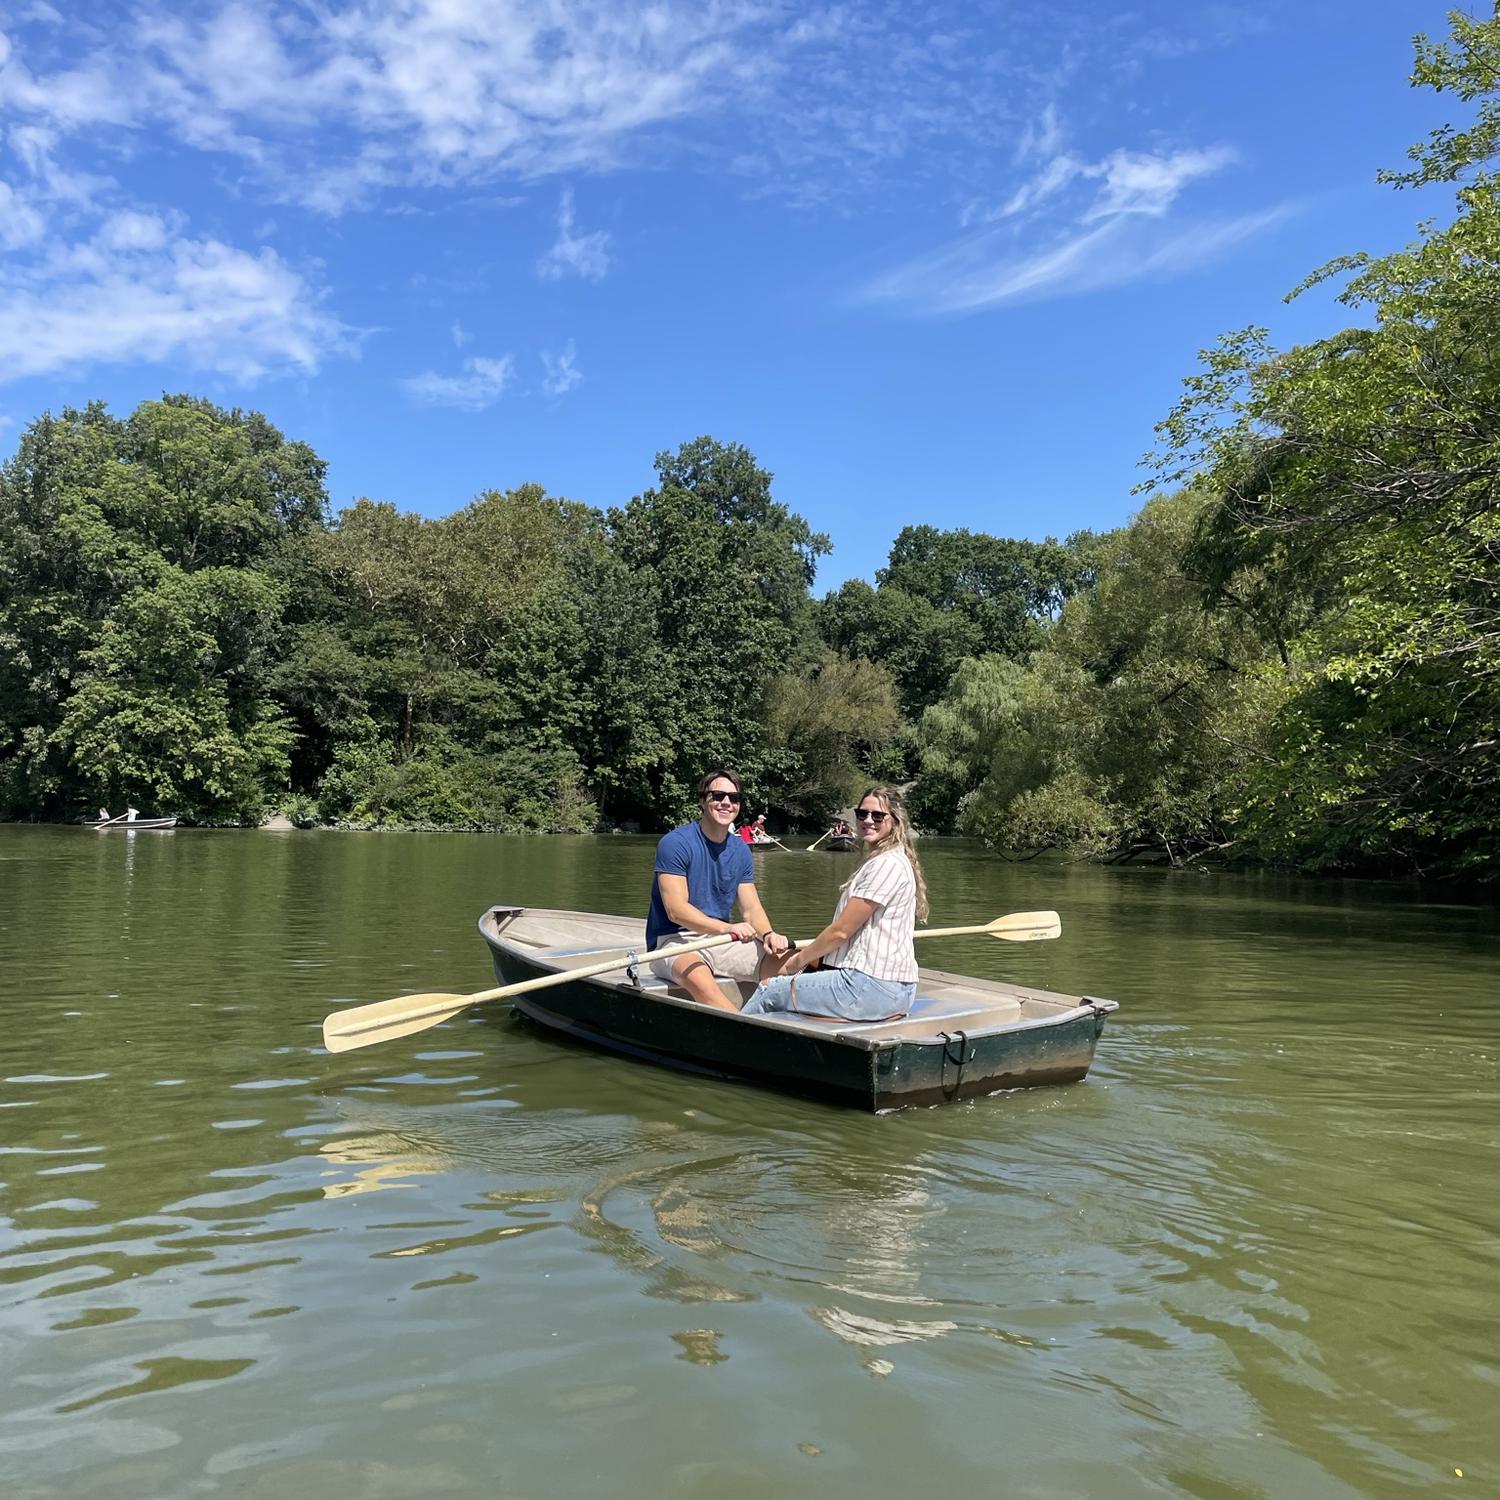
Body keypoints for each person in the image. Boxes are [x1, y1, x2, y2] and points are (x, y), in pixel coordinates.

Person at [741, 785, 928, 1022]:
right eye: (862, 814)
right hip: (890, 989)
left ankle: (725, 1047)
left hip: (866, 986)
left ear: (895, 820)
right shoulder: (891, 860)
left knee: (771, 989)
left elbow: (841, 932)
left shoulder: (886, 864)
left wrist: (797, 962)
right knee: (799, 984)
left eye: (878, 816)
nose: (868, 820)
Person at [646, 770, 792, 1013]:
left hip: (720, 939)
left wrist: (767, 935)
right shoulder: (674, 843)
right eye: (718, 795)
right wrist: (726, 928)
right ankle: (747, 1035)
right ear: (703, 800)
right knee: (702, 981)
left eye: (734, 798)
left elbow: (751, 909)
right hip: (673, 941)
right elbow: (676, 910)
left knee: (795, 961)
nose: (727, 803)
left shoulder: (741, 849)